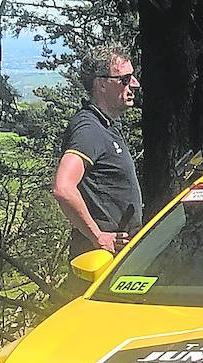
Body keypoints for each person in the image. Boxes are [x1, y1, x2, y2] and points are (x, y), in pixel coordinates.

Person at [52, 43, 144, 260]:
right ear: (101, 84)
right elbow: (63, 188)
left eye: (133, 76)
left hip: (116, 256)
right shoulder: (89, 128)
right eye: (125, 79)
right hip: (99, 260)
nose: (135, 84)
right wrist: (99, 237)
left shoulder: (106, 125)